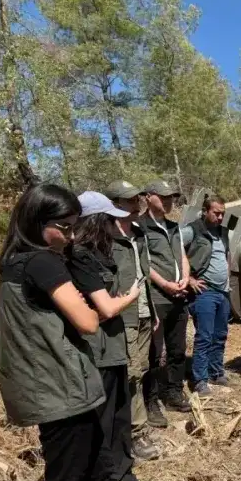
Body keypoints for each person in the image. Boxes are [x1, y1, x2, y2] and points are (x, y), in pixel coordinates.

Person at [0, 184, 164, 481]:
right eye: (65, 227)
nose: (71, 236)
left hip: (56, 386)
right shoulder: (43, 262)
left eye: (75, 226)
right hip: (60, 390)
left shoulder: (15, 262)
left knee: (94, 466)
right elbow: (88, 321)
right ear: (37, 222)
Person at [68, 191, 154, 481]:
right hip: (98, 350)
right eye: (107, 221)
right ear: (95, 222)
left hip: (114, 346)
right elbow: (104, 308)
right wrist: (130, 297)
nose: (112, 226)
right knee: (103, 420)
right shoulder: (78, 257)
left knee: (119, 415)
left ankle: (122, 478)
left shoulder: (98, 254)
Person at [105, 181, 160, 461]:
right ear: (114, 204)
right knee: (131, 374)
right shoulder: (105, 237)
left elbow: (145, 276)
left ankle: (135, 428)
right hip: (123, 315)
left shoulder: (139, 233)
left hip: (144, 312)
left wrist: (153, 310)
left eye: (137, 199)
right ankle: (134, 434)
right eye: (129, 200)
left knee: (142, 369)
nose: (136, 204)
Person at [141, 179, 191, 418]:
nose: (169, 201)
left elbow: (182, 256)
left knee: (178, 349)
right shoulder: (140, 227)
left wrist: (186, 278)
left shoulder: (173, 227)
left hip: (179, 296)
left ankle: (174, 393)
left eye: (171, 197)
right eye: (163, 197)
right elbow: (144, 263)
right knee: (153, 352)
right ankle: (151, 401)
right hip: (157, 297)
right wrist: (164, 284)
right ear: (148, 197)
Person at [181, 194, 231, 396]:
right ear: (205, 211)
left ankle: (215, 372)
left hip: (223, 292)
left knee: (220, 335)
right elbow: (174, 249)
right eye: (216, 213)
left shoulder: (223, 232)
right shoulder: (192, 230)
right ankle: (200, 379)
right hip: (204, 292)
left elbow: (225, 255)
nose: (220, 217)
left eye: (222, 214)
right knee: (205, 336)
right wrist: (189, 279)